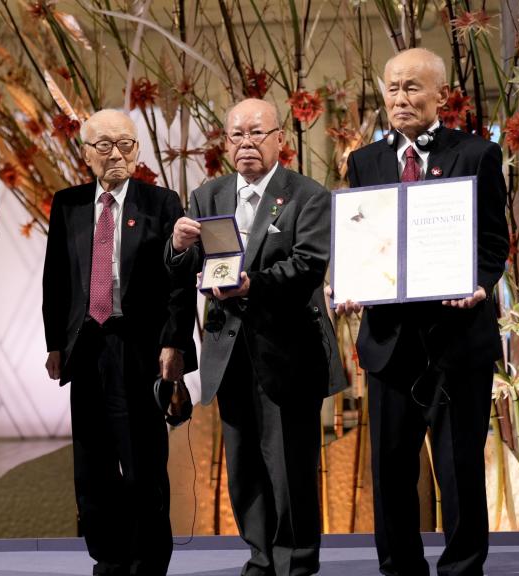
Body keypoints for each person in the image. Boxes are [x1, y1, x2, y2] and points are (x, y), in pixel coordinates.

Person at [331, 48, 509, 576]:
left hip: (456, 340)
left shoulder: (475, 154)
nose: (401, 98)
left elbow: (494, 242)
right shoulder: (365, 161)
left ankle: (462, 568)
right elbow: (362, 240)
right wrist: (350, 282)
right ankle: (399, 567)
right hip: (388, 342)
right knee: (389, 470)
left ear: (440, 95)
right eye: (392, 87)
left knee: (458, 469)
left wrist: (477, 284)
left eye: (413, 87)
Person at [167, 98, 347, 576]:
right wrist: (177, 246)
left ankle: (297, 561)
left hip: (288, 349)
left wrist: (254, 284)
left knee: (289, 465)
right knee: (243, 464)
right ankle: (260, 557)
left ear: (279, 140)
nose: (246, 143)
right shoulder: (208, 195)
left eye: (256, 133)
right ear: (226, 143)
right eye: (237, 135)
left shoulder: (307, 195)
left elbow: (308, 264)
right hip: (228, 352)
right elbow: (188, 272)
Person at [43, 109, 196, 576]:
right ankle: (108, 554)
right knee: (92, 464)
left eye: (126, 144)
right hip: (85, 346)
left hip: (139, 346)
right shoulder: (67, 204)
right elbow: (56, 281)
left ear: (137, 150)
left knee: (144, 459)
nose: (116, 154)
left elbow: (179, 282)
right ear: (86, 153)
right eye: (104, 145)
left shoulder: (161, 202)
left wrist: (175, 343)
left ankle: (149, 559)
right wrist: (55, 344)